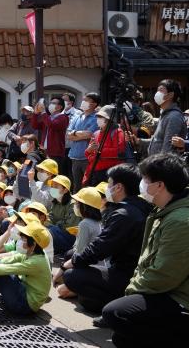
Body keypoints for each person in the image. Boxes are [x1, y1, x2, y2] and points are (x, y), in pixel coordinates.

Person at [102, 153, 189, 347]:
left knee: (115, 313)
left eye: (145, 179)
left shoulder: (180, 220)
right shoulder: (165, 209)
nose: (141, 184)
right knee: (121, 336)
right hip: (166, 289)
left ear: (159, 185)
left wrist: (132, 290)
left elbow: (166, 274)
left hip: (180, 298)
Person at [61, 163, 151, 320]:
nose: (107, 187)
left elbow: (99, 248)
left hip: (126, 274)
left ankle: (118, 302)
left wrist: (71, 262)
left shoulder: (124, 214)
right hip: (131, 271)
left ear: (118, 187)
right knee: (87, 301)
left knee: (71, 276)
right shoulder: (140, 207)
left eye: (109, 183)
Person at [132, 79, 187, 157]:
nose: (157, 93)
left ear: (170, 95)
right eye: (157, 90)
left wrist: (159, 166)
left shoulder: (173, 117)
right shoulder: (165, 115)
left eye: (161, 90)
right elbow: (158, 141)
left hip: (164, 167)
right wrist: (139, 141)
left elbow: (167, 150)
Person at [83, 105, 126, 187]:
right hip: (94, 171)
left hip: (109, 172)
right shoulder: (96, 133)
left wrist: (99, 149)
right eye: (98, 116)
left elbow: (119, 151)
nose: (98, 119)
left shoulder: (117, 132)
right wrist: (89, 150)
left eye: (101, 117)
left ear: (109, 120)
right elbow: (88, 153)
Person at [66, 93, 100, 192]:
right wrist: (80, 135)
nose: (83, 102)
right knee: (76, 186)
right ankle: (77, 207)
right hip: (74, 156)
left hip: (87, 158)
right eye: (83, 99)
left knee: (87, 186)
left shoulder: (96, 118)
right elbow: (68, 135)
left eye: (87, 100)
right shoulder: (78, 116)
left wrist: (75, 133)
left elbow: (90, 134)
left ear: (94, 104)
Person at [31, 96, 69, 173]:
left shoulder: (63, 117)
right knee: (44, 175)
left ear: (60, 107)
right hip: (44, 152)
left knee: (53, 175)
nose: (51, 105)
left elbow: (52, 125)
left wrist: (44, 113)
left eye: (54, 103)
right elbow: (35, 125)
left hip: (56, 153)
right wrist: (35, 113)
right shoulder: (48, 117)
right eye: (51, 103)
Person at [46, 175, 78, 255]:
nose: (53, 188)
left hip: (69, 237)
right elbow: (50, 218)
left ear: (65, 190)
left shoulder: (73, 204)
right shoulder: (55, 202)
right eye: (52, 186)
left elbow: (69, 225)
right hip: (57, 233)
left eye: (56, 186)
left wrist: (52, 226)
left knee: (49, 231)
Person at [13, 134, 46, 200]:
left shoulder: (30, 156)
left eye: (24, 142)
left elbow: (24, 174)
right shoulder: (40, 153)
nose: (22, 144)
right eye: (21, 142)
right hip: (41, 186)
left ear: (32, 143)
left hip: (33, 188)